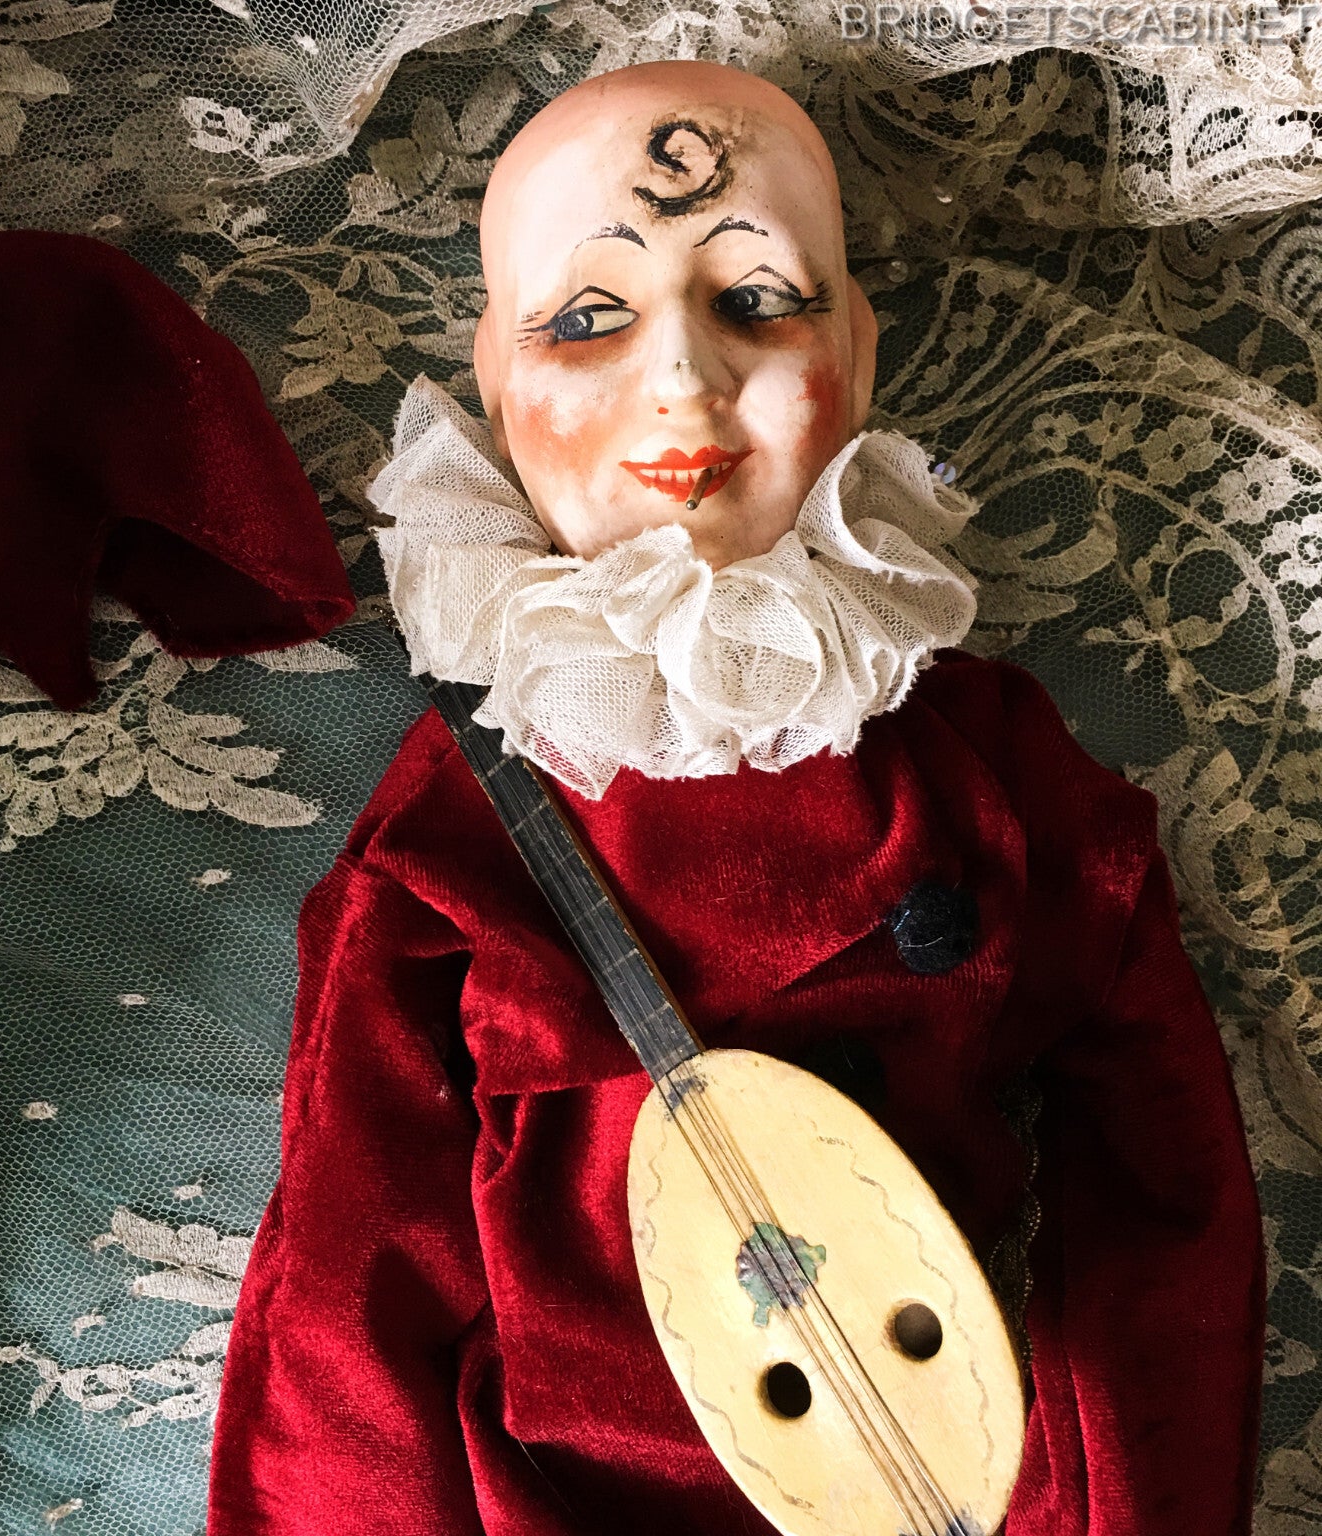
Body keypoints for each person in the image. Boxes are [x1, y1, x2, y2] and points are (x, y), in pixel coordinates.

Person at [207, 60, 1264, 1535]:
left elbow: (1162, 1185)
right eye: (588, 319)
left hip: (941, 1468)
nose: (686, 381)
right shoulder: (473, 802)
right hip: (560, 1495)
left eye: (759, 300)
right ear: (497, 380)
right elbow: (349, 1265)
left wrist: (1110, 1500)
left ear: (861, 354)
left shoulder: (983, 759)